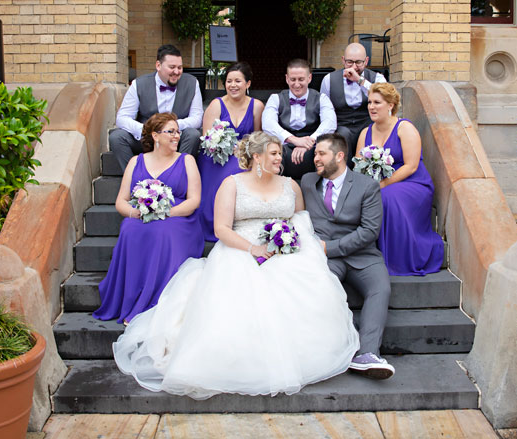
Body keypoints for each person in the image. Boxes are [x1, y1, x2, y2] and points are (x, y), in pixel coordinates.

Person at [113, 131, 360, 399]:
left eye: (280, 153)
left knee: (300, 281)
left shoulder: (291, 185)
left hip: (283, 250)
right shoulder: (232, 184)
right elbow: (221, 228)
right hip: (239, 248)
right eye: (275, 153)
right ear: (257, 157)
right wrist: (253, 249)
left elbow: (300, 220)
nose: (280, 158)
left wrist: (285, 242)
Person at [93, 113, 204, 324]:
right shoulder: (136, 162)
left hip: (179, 217)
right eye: (170, 132)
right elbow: (121, 201)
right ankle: (133, 298)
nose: (176, 136)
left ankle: (157, 302)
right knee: (129, 228)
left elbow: (194, 201)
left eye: (177, 132)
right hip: (141, 215)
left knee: (163, 232)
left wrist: (164, 213)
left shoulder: (186, 160)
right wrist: (134, 213)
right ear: (155, 135)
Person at [301, 133, 395, 379]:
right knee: (320, 287)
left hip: (362, 254)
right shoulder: (308, 182)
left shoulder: (367, 186)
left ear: (340, 156)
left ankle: (368, 354)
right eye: (315, 154)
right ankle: (338, 348)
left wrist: (328, 248)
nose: (316, 158)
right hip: (325, 258)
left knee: (380, 288)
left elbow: (369, 231)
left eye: (321, 154)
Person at [356, 83, 445, 276]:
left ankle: (397, 259)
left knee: (387, 197)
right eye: (369, 102)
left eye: (377, 102)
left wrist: (383, 184)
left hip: (412, 183)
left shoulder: (404, 128)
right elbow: (358, 166)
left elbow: (411, 165)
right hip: (378, 184)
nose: (371, 106)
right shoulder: (365, 133)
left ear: (390, 105)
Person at [196, 61, 263, 241]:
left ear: (248, 84)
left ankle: (239, 222)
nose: (232, 85)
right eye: (229, 81)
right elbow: (207, 138)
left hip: (244, 154)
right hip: (216, 155)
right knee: (229, 170)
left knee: (242, 166)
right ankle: (213, 223)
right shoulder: (216, 105)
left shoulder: (256, 106)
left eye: (238, 81)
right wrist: (224, 147)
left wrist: (242, 149)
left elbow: (256, 137)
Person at [109, 44, 203, 171]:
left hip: (176, 138)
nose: (177, 72)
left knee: (193, 135)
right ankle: (136, 180)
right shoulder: (139, 84)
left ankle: (177, 175)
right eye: (172, 67)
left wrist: (170, 129)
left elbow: (197, 118)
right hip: (147, 139)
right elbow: (122, 117)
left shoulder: (192, 83)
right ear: (158, 65)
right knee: (117, 137)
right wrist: (145, 130)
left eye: (180, 67)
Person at [262, 58, 337, 178]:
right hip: (284, 144)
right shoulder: (275, 98)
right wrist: (294, 140)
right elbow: (267, 124)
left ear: (309, 78)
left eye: (301, 79)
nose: (297, 84)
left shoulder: (321, 98)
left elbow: (330, 123)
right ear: (287, 78)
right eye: (293, 79)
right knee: (270, 149)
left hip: (313, 143)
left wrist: (309, 141)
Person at [320, 42, 387, 160]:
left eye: (358, 62)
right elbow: (323, 109)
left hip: (368, 124)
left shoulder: (377, 78)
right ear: (343, 60)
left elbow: (384, 99)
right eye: (349, 62)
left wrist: (359, 80)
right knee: (342, 135)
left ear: (366, 61)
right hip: (341, 125)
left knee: (371, 132)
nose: (354, 67)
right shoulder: (329, 79)